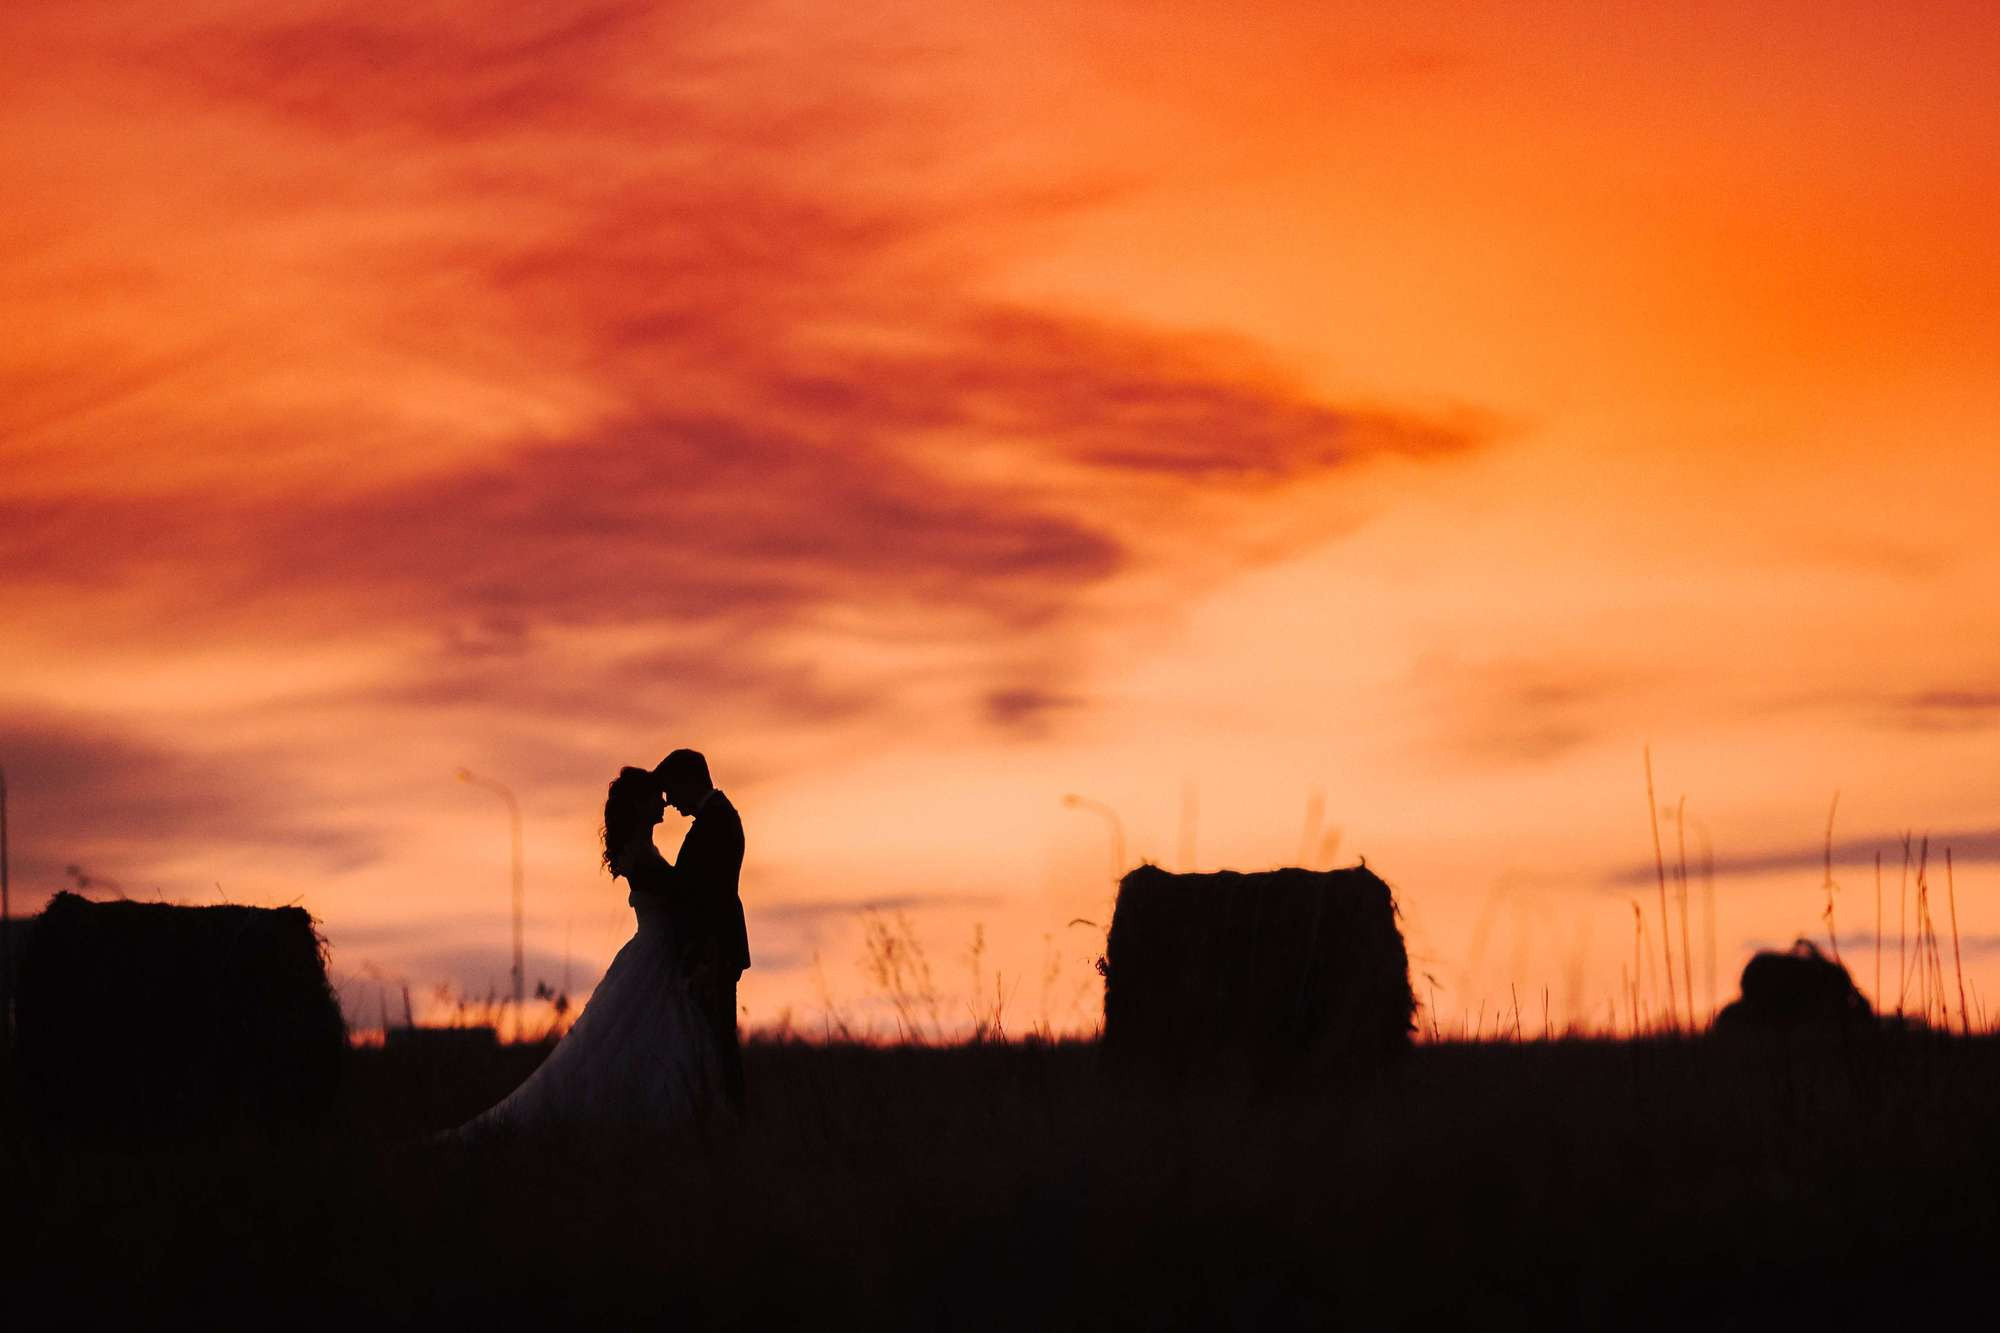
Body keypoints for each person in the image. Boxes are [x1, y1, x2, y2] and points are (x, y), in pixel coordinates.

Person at [454, 767, 718, 1135]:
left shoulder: (642, 848)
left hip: (662, 956)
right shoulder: (637, 854)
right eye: (656, 797)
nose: (664, 802)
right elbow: (675, 892)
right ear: (641, 804)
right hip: (653, 957)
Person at [652, 749, 750, 1111]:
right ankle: (724, 1113)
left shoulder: (718, 821)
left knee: (717, 1039)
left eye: (671, 791)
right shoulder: (715, 818)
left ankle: (729, 1115)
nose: (670, 803)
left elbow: (709, 894)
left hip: (714, 949)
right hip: (713, 948)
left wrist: (705, 955)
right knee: (713, 1038)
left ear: (688, 781)